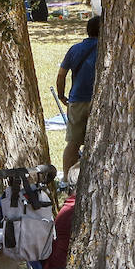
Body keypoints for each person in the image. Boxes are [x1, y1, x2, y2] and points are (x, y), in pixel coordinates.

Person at [56, 15, 101, 176]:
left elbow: (61, 75)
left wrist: (61, 95)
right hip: (99, 101)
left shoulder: (75, 49)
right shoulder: (107, 48)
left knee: (73, 143)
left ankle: (66, 178)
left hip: (77, 100)